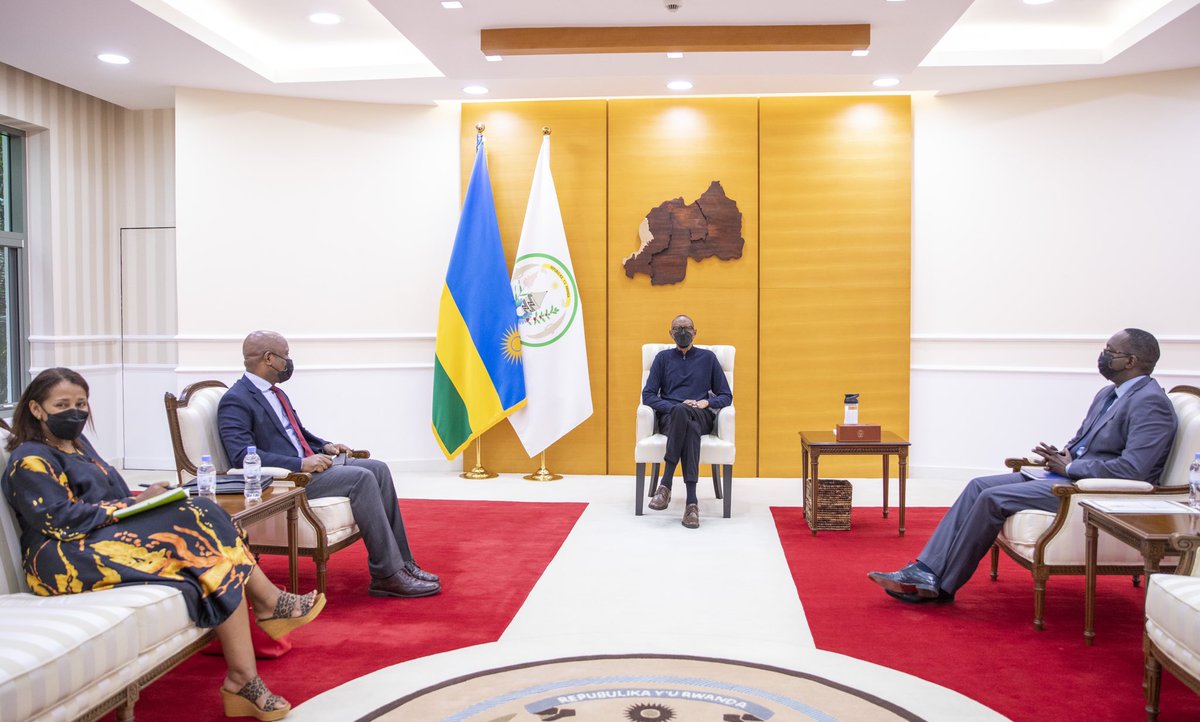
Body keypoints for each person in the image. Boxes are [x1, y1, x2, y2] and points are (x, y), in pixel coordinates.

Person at [1, 368, 323, 721]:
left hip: (97, 536)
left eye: (81, 403)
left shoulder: (78, 445)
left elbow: (111, 497)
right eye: (62, 405)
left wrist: (148, 501)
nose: (74, 412)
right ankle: (265, 612)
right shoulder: (29, 459)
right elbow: (60, 520)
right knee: (203, 535)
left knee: (204, 522)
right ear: (36, 409)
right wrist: (133, 505)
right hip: (61, 556)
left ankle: (245, 673)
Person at [868, 328, 1177, 603]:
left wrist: (1072, 468)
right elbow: (1082, 441)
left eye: (1110, 351)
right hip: (1069, 477)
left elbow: (1134, 470)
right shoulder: (1108, 394)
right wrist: (1060, 456)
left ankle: (943, 585)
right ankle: (925, 569)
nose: (1103, 355)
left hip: (1093, 491)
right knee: (978, 485)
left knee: (992, 498)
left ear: (1131, 361)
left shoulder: (1150, 403)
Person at [217, 330, 439, 599]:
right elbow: (241, 455)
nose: (289, 362)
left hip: (306, 468)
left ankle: (403, 563)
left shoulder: (276, 394)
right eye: (285, 356)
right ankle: (386, 575)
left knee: (378, 468)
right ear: (269, 358)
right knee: (361, 478)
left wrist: (325, 446)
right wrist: (301, 463)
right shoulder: (236, 400)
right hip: (287, 481)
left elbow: (296, 433)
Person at [641, 314, 733, 529]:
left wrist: (706, 402)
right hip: (671, 417)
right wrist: (673, 407)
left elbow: (726, 396)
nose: (683, 332)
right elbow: (648, 396)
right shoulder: (662, 359)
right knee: (688, 425)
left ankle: (665, 484)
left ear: (695, 332)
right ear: (670, 333)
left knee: (689, 418)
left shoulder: (708, 358)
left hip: (701, 415)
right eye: (677, 328)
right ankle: (692, 504)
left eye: (687, 328)